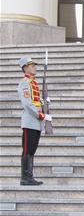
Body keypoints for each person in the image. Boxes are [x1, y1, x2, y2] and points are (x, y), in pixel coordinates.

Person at [17, 56, 49, 186]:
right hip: (30, 121)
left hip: (36, 122)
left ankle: (30, 176)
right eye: (32, 65)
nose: (34, 67)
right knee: (27, 150)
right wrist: (39, 114)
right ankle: (25, 177)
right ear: (25, 67)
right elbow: (27, 103)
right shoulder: (25, 83)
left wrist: (45, 102)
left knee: (32, 150)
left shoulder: (33, 82)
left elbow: (36, 100)